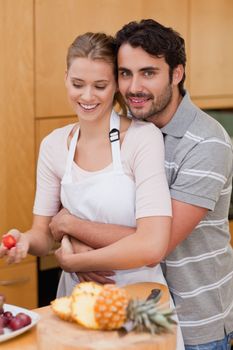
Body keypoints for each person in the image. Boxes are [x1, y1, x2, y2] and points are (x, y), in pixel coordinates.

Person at [49, 20, 233, 349]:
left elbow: (155, 244)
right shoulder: (126, 129)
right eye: (125, 73)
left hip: (194, 323)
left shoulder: (206, 143)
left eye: (148, 73)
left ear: (176, 74)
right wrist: (72, 233)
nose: (134, 87)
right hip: (132, 315)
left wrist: (71, 228)